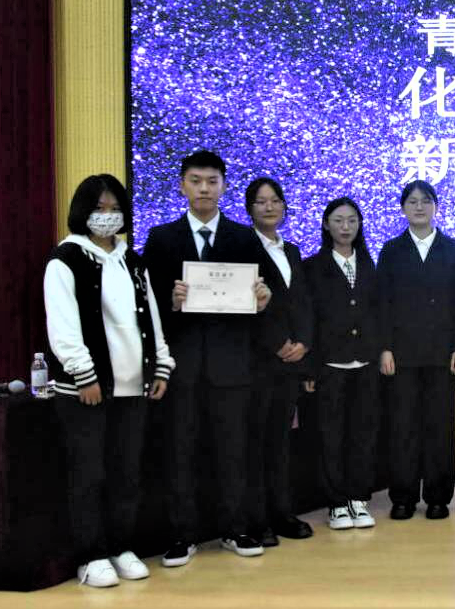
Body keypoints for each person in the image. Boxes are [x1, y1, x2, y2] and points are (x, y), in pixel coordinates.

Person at [43, 174, 175, 588]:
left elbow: (151, 317)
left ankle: (120, 546)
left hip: (133, 387)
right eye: (98, 209)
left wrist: (161, 365)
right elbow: (63, 327)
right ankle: (90, 555)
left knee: (126, 473)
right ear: (82, 212)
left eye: (114, 208)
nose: (107, 216)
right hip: (88, 390)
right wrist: (83, 374)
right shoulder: (66, 259)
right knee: (89, 474)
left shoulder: (132, 260)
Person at [143, 150, 272, 566]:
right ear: (182, 185)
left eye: (212, 181)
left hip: (231, 366)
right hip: (181, 368)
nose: (204, 189)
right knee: (180, 452)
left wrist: (262, 300)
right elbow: (145, 308)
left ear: (224, 186)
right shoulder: (162, 238)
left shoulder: (244, 237)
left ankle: (235, 528)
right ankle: (183, 535)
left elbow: (264, 298)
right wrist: (171, 301)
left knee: (233, 451)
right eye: (196, 181)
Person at [377, 180, 455, 521]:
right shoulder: (391, 250)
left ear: (435, 207)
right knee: (402, 426)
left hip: (442, 353)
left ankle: (437, 496)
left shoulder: (452, 249)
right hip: (401, 354)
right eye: (412, 201)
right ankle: (402, 496)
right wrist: (384, 348)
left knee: (439, 427)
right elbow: (382, 304)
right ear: (403, 208)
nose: (419, 207)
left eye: (425, 201)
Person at [243, 177, 314, 545]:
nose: (269, 207)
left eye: (275, 201)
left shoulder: (293, 251)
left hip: (291, 364)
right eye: (261, 202)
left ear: (284, 206)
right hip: (258, 362)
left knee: (281, 442)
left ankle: (282, 512)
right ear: (249, 209)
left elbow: (302, 303)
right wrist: (278, 343)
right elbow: (243, 305)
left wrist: (304, 343)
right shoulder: (242, 248)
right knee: (255, 443)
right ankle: (258, 520)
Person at [305, 197, 383, 531]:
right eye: (338, 220)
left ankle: (359, 498)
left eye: (352, 220)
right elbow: (308, 319)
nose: (345, 226)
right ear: (326, 225)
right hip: (329, 364)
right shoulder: (312, 266)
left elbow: (378, 312)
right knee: (331, 435)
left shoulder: (368, 263)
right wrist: (309, 367)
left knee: (363, 434)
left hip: (365, 362)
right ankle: (336, 503)